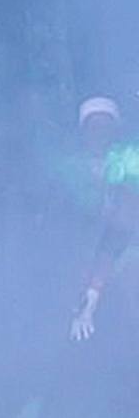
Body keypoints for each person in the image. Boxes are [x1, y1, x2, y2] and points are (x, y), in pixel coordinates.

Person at [69, 96, 139, 340]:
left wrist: (93, 293)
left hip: (127, 252)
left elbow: (124, 218)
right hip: (89, 253)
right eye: (93, 126)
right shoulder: (70, 167)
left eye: (106, 126)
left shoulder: (130, 158)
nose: (100, 133)